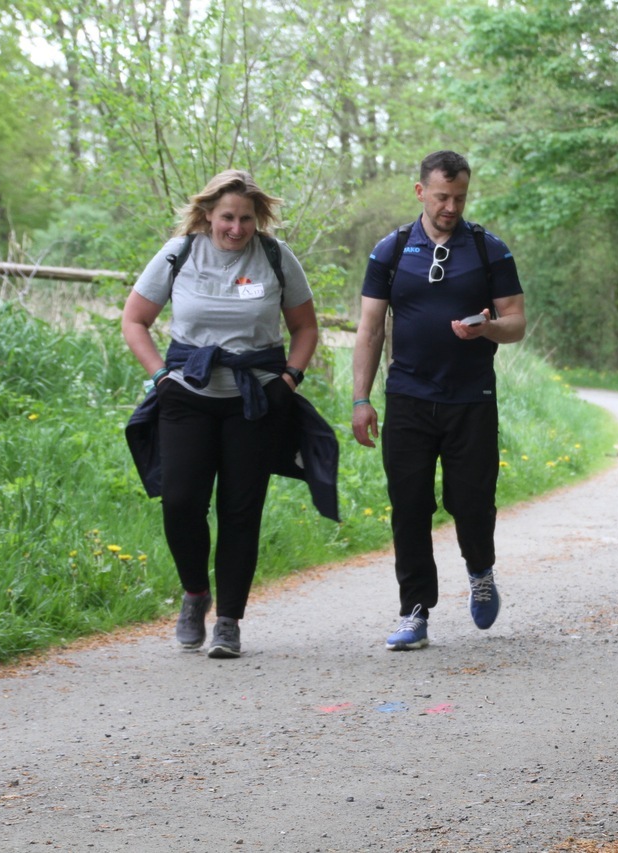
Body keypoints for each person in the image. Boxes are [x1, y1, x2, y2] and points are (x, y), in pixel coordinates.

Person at [122, 169, 323, 659]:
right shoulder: (179, 254)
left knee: (240, 509)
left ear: (258, 218)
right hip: (186, 396)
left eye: (246, 219)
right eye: (227, 217)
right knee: (180, 501)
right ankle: (195, 593)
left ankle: (229, 620)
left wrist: (290, 379)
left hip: (253, 402)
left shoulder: (275, 257)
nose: (236, 228)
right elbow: (134, 320)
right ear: (208, 214)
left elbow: (305, 328)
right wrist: (159, 377)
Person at [351, 150, 527, 651]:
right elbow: (370, 330)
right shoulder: (390, 250)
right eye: (442, 196)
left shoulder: (489, 250)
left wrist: (487, 328)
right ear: (420, 191)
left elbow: (516, 321)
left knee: (471, 503)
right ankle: (414, 611)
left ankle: (480, 571)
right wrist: (361, 398)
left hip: (471, 399)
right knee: (409, 507)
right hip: (407, 397)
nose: (451, 207)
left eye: (460, 198)